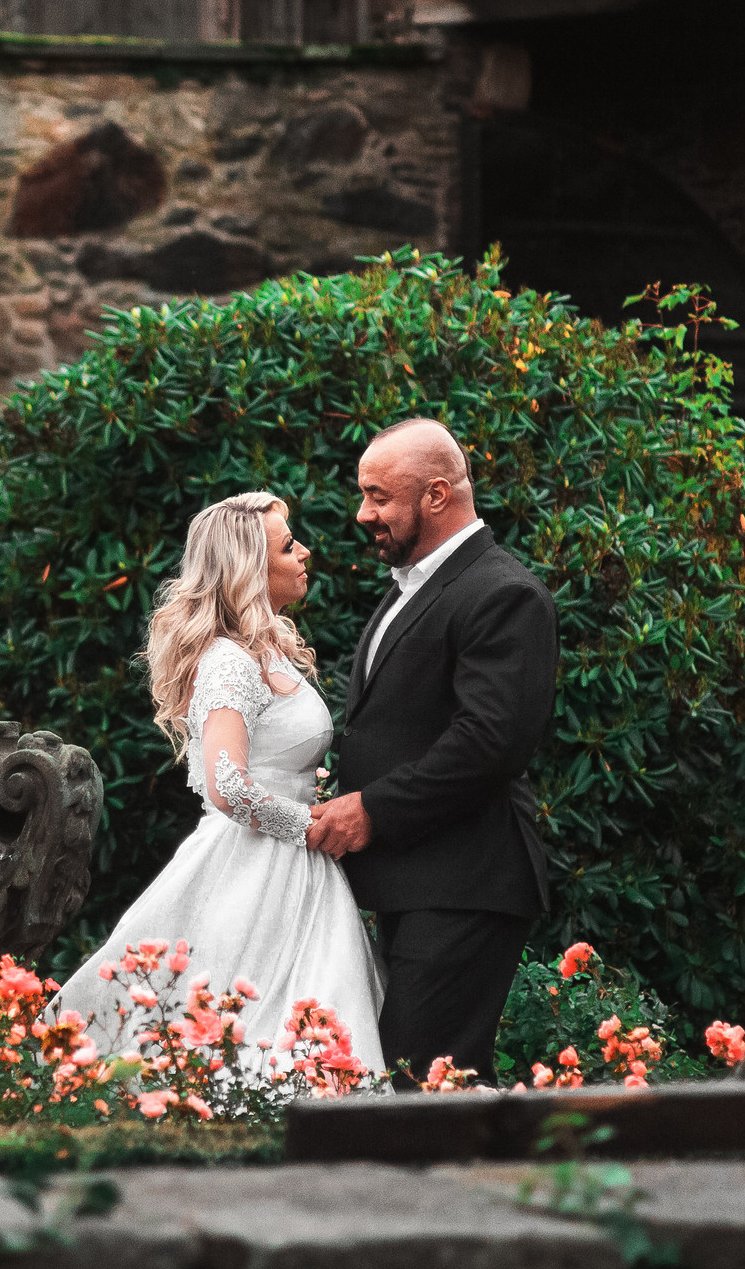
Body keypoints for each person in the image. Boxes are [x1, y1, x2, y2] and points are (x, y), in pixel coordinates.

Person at [53, 492, 385, 1073]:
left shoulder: (270, 652)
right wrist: (308, 824)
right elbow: (226, 783)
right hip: (255, 868)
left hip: (297, 869)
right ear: (248, 569)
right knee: (243, 1027)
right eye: (288, 545)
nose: (305, 552)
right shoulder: (228, 661)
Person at [307, 418, 556, 1089]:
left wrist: (374, 809)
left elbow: (490, 742)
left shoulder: (504, 593)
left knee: (419, 1087)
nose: (364, 513)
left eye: (379, 495)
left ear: (438, 494)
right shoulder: (409, 587)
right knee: (409, 1087)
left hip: (465, 881)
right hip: (415, 881)